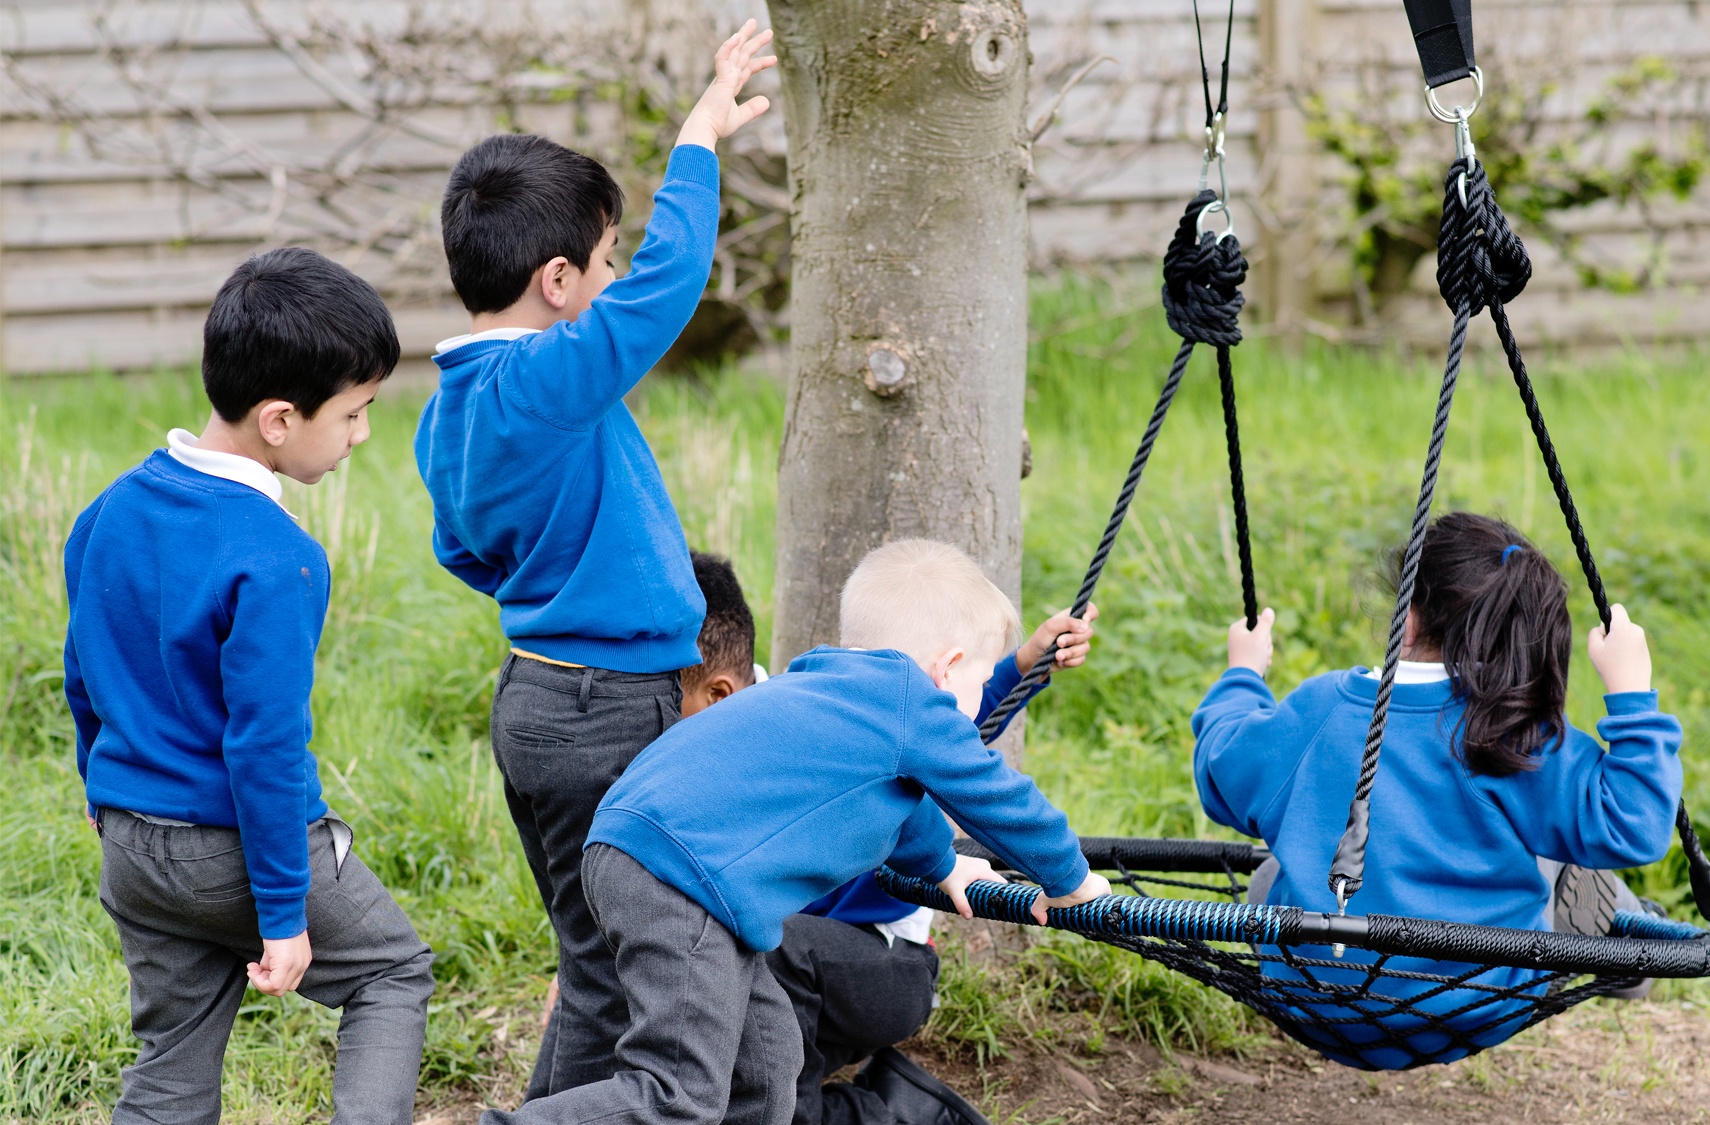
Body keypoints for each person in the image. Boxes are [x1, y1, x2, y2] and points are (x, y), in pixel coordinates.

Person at [412, 21, 774, 1100]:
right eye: (602, 261)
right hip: (609, 709)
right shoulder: (544, 380)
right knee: (644, 973)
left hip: (534, 699)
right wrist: (700, 136)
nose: (615, 277)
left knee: (595, 968)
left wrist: (555, 585)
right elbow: (665, 289)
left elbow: (460, 548)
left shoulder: (449, 407)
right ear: (560, 280)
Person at [483, 539, 1114, 1125]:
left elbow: (900, 806)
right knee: (680, 1092)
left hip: (633, 851)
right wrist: (1072, 880)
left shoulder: (820, 685)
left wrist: (945, 868)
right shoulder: (911, 704)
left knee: (766, 1061)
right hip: (681, 882)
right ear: (947, 670)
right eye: (981, 682)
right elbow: (1000, 798)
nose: (979, 700)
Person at [64, 248, 436, 1123]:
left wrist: (99, 785)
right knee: (390, 970)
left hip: (130, 843)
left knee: (170, 1069)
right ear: (279, 419)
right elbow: (264, 747)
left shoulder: (109, 510)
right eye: (353, 413)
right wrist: (284, 913)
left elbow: (84, 672)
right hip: (231, 847)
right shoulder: (277, 558)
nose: (360, 435)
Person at [1190, 512, 1683, 1069]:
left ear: (1408, 615)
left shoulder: (1321, 707)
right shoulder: (1515, 733)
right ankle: (1628, 929)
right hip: (1482, 998)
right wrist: (1631, 695)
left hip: (1315, 992)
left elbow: (1220, 773)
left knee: (1274, 871)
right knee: (1569, 858)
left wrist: (1242, 674)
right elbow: (1635, 827)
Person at [668, 551, 1096, 1125]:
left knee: (775, 948)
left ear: (718, 689)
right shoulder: (800, 708)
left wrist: (1019, 666)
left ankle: (894, 1113)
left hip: (882, 959)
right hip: (801, 969)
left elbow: (952, 729)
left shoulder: (875, 713)